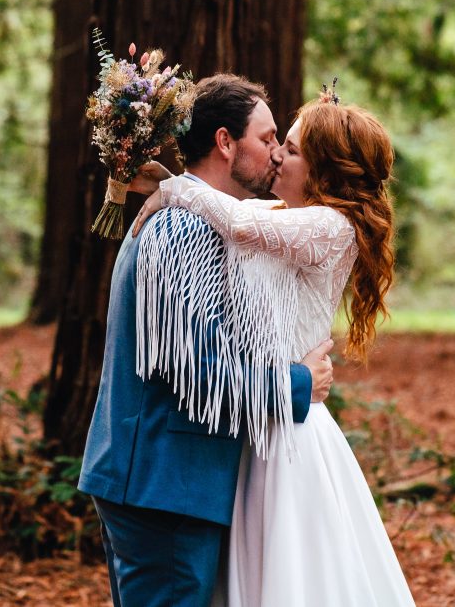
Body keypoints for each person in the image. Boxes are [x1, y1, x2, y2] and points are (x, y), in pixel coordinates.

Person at [133, 93, 417, 606]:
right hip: (253, 421)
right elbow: (236, 213)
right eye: (276, 143)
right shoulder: (283, 215)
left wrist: (172, 187)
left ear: (323, 170)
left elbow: (238, 223)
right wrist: (174, 188)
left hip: (289, 438)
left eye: (290, 148)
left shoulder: (330, 227)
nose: (278, 157)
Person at [77, 74, 336, 607]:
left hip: (165, 480)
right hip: (164, 482)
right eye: (266, 140)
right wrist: (299, 382)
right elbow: (194, 366)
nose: (276, 155)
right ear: (224, 142)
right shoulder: (184, 231)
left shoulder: (195, 217)